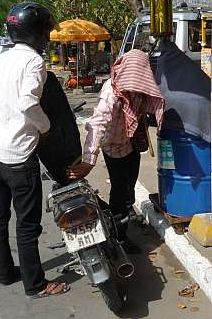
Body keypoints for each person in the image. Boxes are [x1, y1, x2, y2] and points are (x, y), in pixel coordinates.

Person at [0, 2, 69, 298]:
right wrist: (45, 127)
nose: (48, 37)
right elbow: (27, 103)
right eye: (46, 31)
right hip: (19, 159)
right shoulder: (34, 63)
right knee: (27, 226)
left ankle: (6, 274)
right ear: (37, 33)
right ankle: (36, 284)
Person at [67, 49, 164, 254]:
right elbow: (97, 123)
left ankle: (122, 217)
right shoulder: (111, 91)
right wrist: (89, 160)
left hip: (131, 145)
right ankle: (119, 238)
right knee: (120, 193)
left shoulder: (139, 89)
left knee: (128, 189)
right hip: (113, 148)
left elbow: (152, 104)